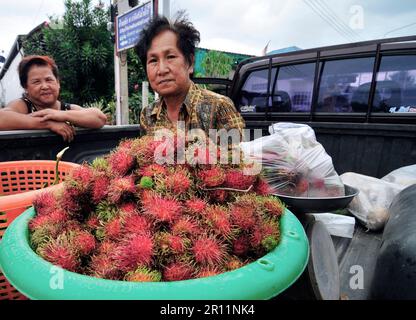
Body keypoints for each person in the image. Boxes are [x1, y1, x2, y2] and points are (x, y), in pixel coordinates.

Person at [135, 15, 245, 146]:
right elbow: (146, 162)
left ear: (190, 63)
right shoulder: (147, 115)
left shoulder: (220, 107)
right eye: (153, 60)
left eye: (170, 57)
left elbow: (236, 161)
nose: (162, 69)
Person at [0, 55, 107, 142]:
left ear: (58, 83)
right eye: (36, 82)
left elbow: (99, 118)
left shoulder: (65, 109)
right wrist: (47, 123)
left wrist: (58, 114)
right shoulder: (23, 105)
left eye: (49, 80)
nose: (45, 86)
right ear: (25, 87)